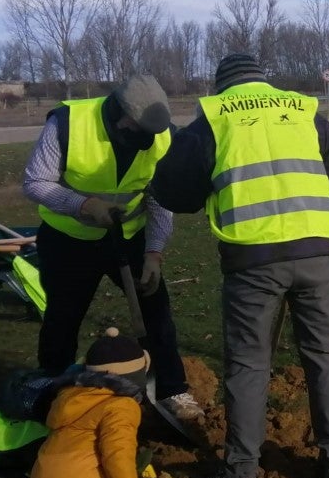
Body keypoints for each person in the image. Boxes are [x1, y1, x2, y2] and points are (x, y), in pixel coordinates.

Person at [151, 53, 329, 478]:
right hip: (317, 254)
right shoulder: (305, 113)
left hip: (253, 259)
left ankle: (241, 477)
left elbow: (174, 191)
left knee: (250, 365)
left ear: (221, 86)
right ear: (263, 81)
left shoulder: (214, 118)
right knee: (324, 355)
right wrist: (318, 227)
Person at [21, 74, 202, 433]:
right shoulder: (68, 123)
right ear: (120, 115)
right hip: (68, 239)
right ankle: (54, 386)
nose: (143, 140)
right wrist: (83, 204)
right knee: (63, 316)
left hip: (130, 239)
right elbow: (35, 182)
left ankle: (172, 389)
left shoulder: (162, 136)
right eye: (136, 130)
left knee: (157, 312)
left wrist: (154, 253)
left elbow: (159, 198)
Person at [28, 330, 170, 478]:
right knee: (132, 475)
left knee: (75, 475)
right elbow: (118, 452)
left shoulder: (71, 396)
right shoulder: (121, 406)